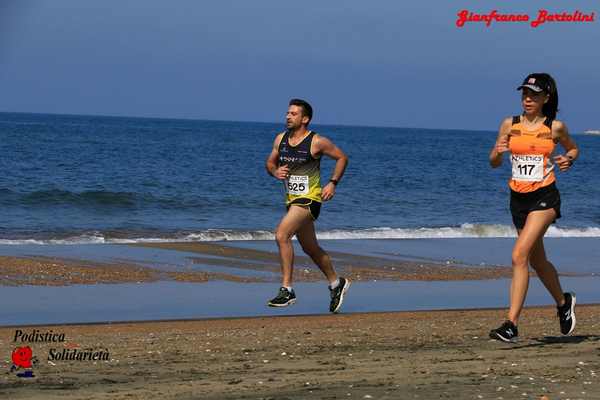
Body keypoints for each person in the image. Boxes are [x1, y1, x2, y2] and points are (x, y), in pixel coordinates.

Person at [488, 73, 579, 342]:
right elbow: (494, 161)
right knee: (537, 261)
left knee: (519, 255)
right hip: (518, 199)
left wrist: (568, 159)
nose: (528, 99)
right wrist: (497, 151)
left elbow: (573, 149)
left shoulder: (555, 127)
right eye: (525, 94)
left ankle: (511, 324)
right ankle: (564, 303)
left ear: (545, 98)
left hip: (545, 197)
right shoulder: (509, 124)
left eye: (534, 94)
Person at [265, 98, 350, 313]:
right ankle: (336, 283)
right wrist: (275, 172)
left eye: (293, 114)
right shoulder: (280, 139)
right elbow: (270, 162)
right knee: (310, 248)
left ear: (305, 119)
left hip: (310, 199)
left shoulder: (317, 142)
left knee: (281, 235)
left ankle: (287, 290)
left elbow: (341, 158)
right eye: (287, 113)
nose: (287, 116)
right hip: (292, 200)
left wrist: (332, 183)